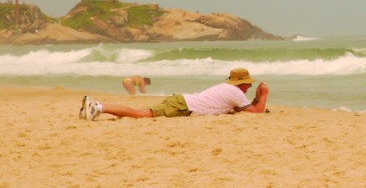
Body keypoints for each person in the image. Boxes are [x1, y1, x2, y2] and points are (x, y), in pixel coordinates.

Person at [80, 68, 269, 120]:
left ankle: (98, 106)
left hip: (181, 101)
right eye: (248, 84)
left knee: (140, 112)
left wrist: (258, 97)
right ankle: (98, 107)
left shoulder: (228, 89)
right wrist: (265, 94)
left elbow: (247, 108)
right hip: (182, 106)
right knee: (139, 114)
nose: (249, 87)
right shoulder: (234, 92)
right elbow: (256, 112)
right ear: (242, 83)